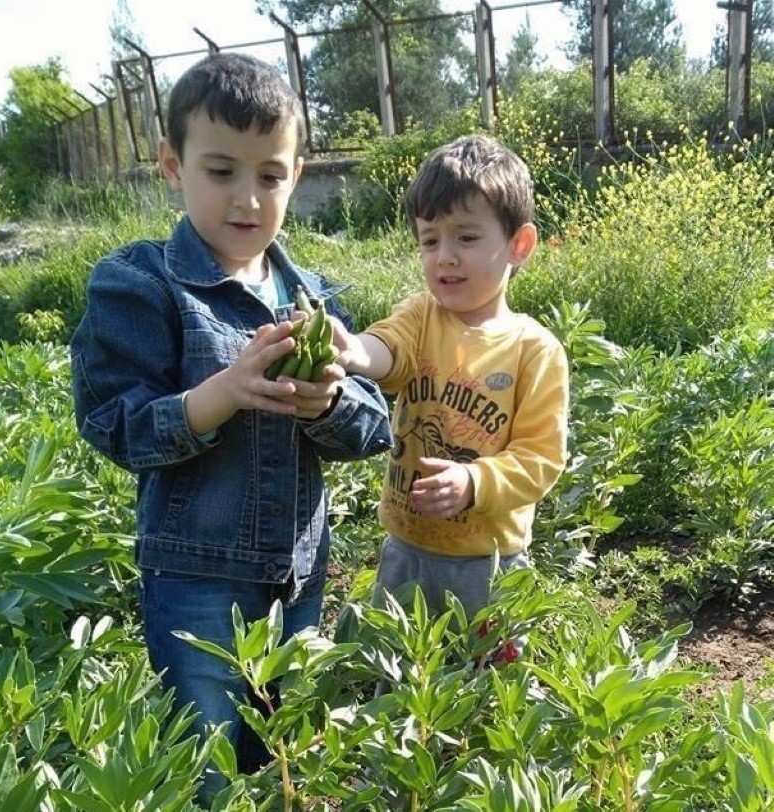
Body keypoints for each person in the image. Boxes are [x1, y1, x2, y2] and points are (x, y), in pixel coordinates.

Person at [69, 52, 392, 792]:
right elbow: (115, 423)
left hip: (299, 576)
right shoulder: (141, 282)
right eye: (221, 171)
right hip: (196, 583)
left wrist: (329, 402)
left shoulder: (310, 294)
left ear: (297, 174)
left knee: (287, 761)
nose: (248, 198)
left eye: (270, 176)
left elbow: (374, 424)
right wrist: (224, 391)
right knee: (212, 769)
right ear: (171, 166)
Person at [332, 133, 569, 632]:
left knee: (484, 689)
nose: (444, 256)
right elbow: (388, 348)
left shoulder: (535, 350)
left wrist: (473, 480)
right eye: (430, 239)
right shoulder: (421, 316)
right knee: (397, 673)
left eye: (466, 237)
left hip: (489, 563)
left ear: (519, 245)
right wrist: (354, 350)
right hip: (405, 551)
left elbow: (540, 458)